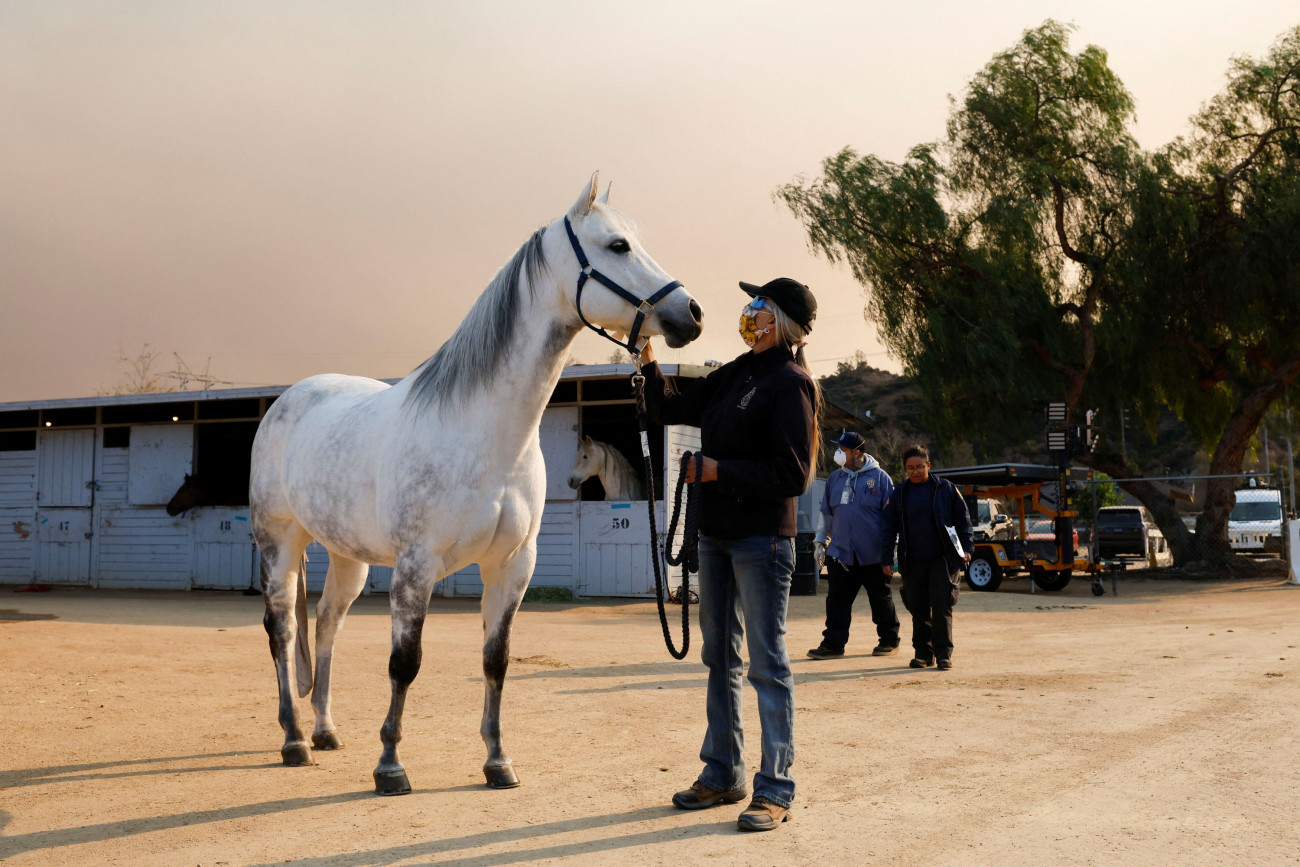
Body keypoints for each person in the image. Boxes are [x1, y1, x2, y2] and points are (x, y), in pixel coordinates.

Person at [637, 276, 818, 832]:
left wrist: (720, 471)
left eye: (759, 305)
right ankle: (723, 773)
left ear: (780, 321)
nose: (749, 311)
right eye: (750, 304)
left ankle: (775, 788)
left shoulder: (792, 385)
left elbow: (794, 475)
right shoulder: (734, 374)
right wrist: (645, 358)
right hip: (714, 535)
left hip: (762, 539)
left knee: (767, 662)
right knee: (720, 657)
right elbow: (668, 410)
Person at [807, 430, 900, 659]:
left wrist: (892, 549)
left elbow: (892, 517)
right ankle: (833, 644)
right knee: (837, 600)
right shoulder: (834, 479)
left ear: (856, 453)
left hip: (873, 555)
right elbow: (826, 514)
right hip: (841, 553)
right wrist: (820, 541)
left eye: (843, 450)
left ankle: (889, 640)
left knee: (880, 599)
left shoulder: (880, 479)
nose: (837, 453)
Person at [880, 445, 973, 671]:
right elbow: (888, 527)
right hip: (912, 560)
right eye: (909, 468)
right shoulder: (900, 493)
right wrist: (886, 558)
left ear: (928, 466)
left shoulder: (946, 489)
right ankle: (923, 653)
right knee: (918, 608)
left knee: (941, 606)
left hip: (942, 558)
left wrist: (967, 548)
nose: (915, 472)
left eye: (919, 467)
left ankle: (943, 655)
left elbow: (963, 520)